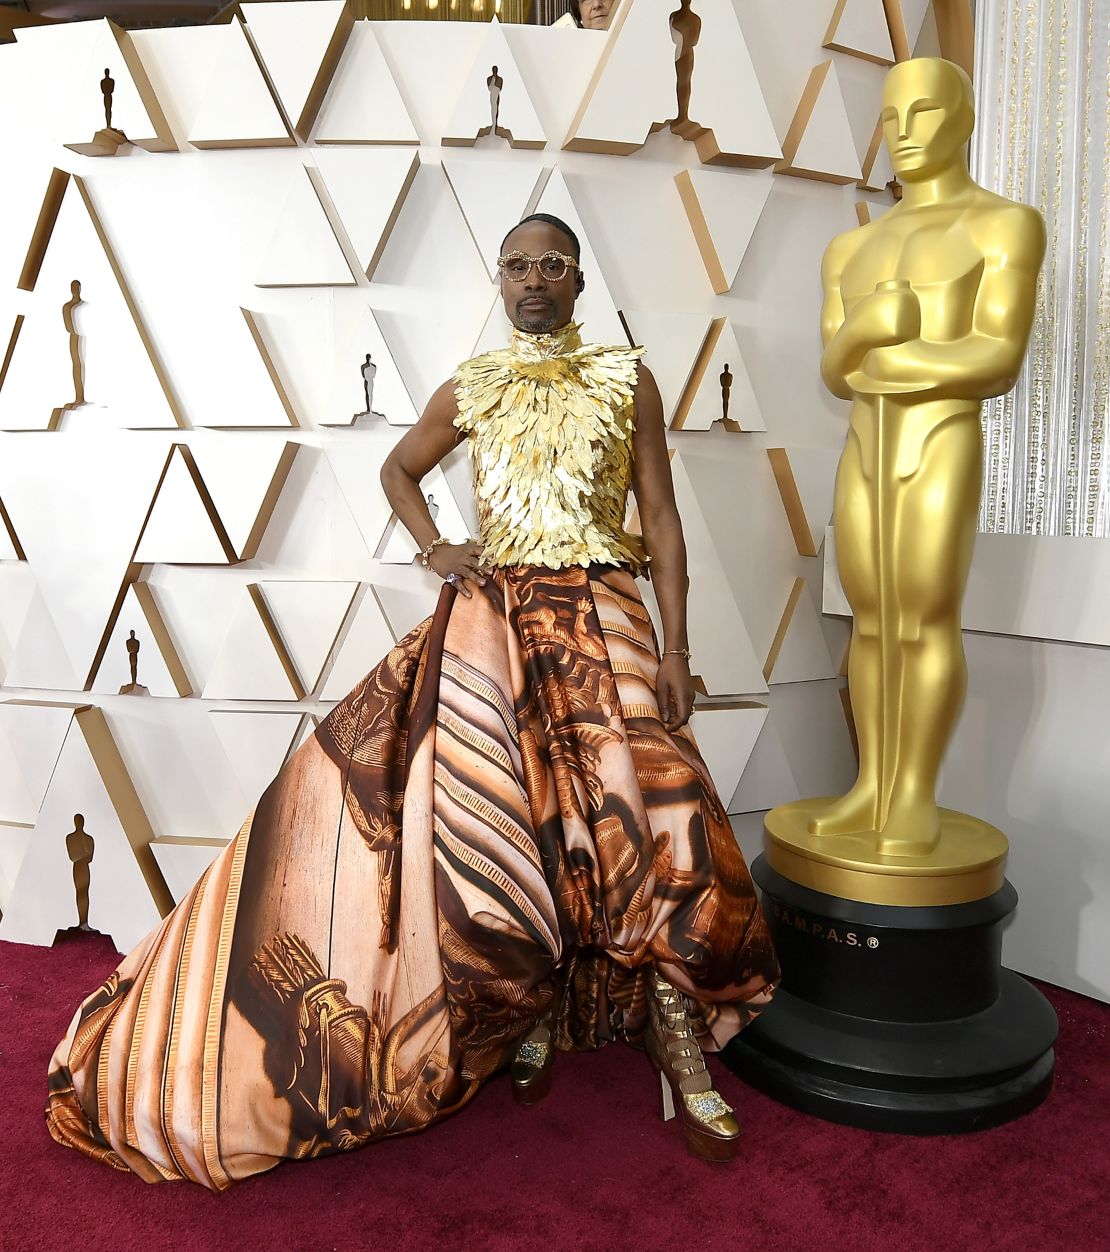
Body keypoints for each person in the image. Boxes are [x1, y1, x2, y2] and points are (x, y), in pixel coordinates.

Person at [44, 212, 778, 1190]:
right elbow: (397, 467)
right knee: (517, 829)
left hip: (607, 609)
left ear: (577, 278)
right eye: (514, 265)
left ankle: (682, 1040)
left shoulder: (628, 378)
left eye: (548, 264)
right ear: (499, 278)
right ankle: (526, 1012)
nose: (530, 280)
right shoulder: (471, 386)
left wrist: (680, 649)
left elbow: (663, 519)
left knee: (660, 810)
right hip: (501, 620)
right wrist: (436, 545)